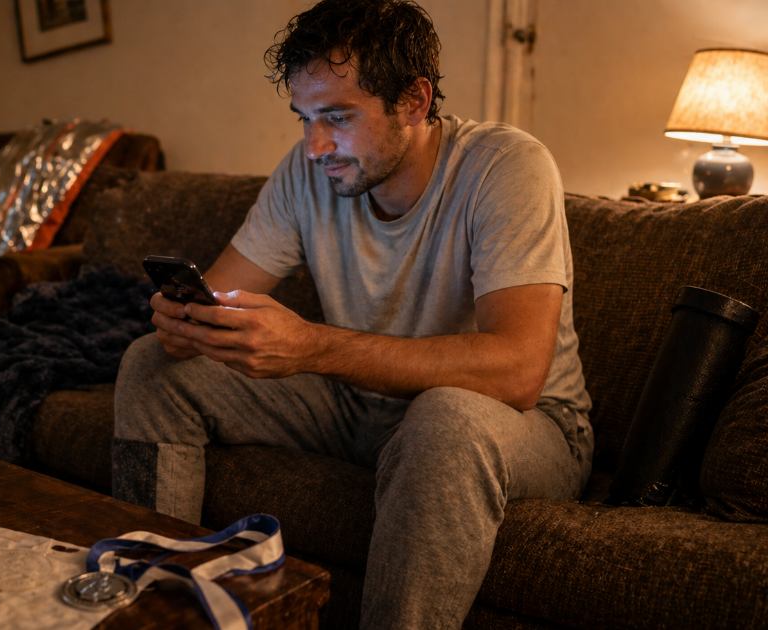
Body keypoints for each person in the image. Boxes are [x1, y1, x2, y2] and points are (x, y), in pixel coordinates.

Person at [111, 0, 593, 628]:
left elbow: (519, 369)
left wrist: (311, 347)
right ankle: (154, 612)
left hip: (524, 424)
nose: (314, 147)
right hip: (358, 403)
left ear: (414, 102)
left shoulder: (505, 167)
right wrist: (189, 324)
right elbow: (222, 295)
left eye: (337, 117)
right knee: (151, 365)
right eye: (304, 118)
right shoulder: (306, 172)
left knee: (445, 421)